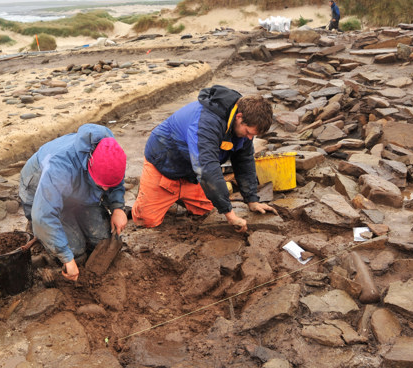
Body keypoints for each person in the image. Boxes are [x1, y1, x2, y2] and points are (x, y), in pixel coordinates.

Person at [132, 85, 277, 233]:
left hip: (191, 172)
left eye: (253, 135)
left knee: (206, 209)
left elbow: (244, 160)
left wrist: (252, 200)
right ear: (239, 117)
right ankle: (150, 192)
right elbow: (207, 170)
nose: (250, 138)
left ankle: (178, 195)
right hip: (164, 165)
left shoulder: (241, 124)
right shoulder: (206, 123)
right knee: (147, 221)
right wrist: (230, 215)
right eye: (248, 132)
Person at [19, 123, 127, 281]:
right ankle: (38, 230)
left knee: (101, 240)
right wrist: (67, 259)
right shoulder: (60, 168)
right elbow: (45, 215)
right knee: (76, 253)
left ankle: (62, 229)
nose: (105, 188)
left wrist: (118, 208)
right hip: (41, 194)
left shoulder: (110, 150)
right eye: (102, 184)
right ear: (90, 163)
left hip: (80, 189)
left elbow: (115, 181)